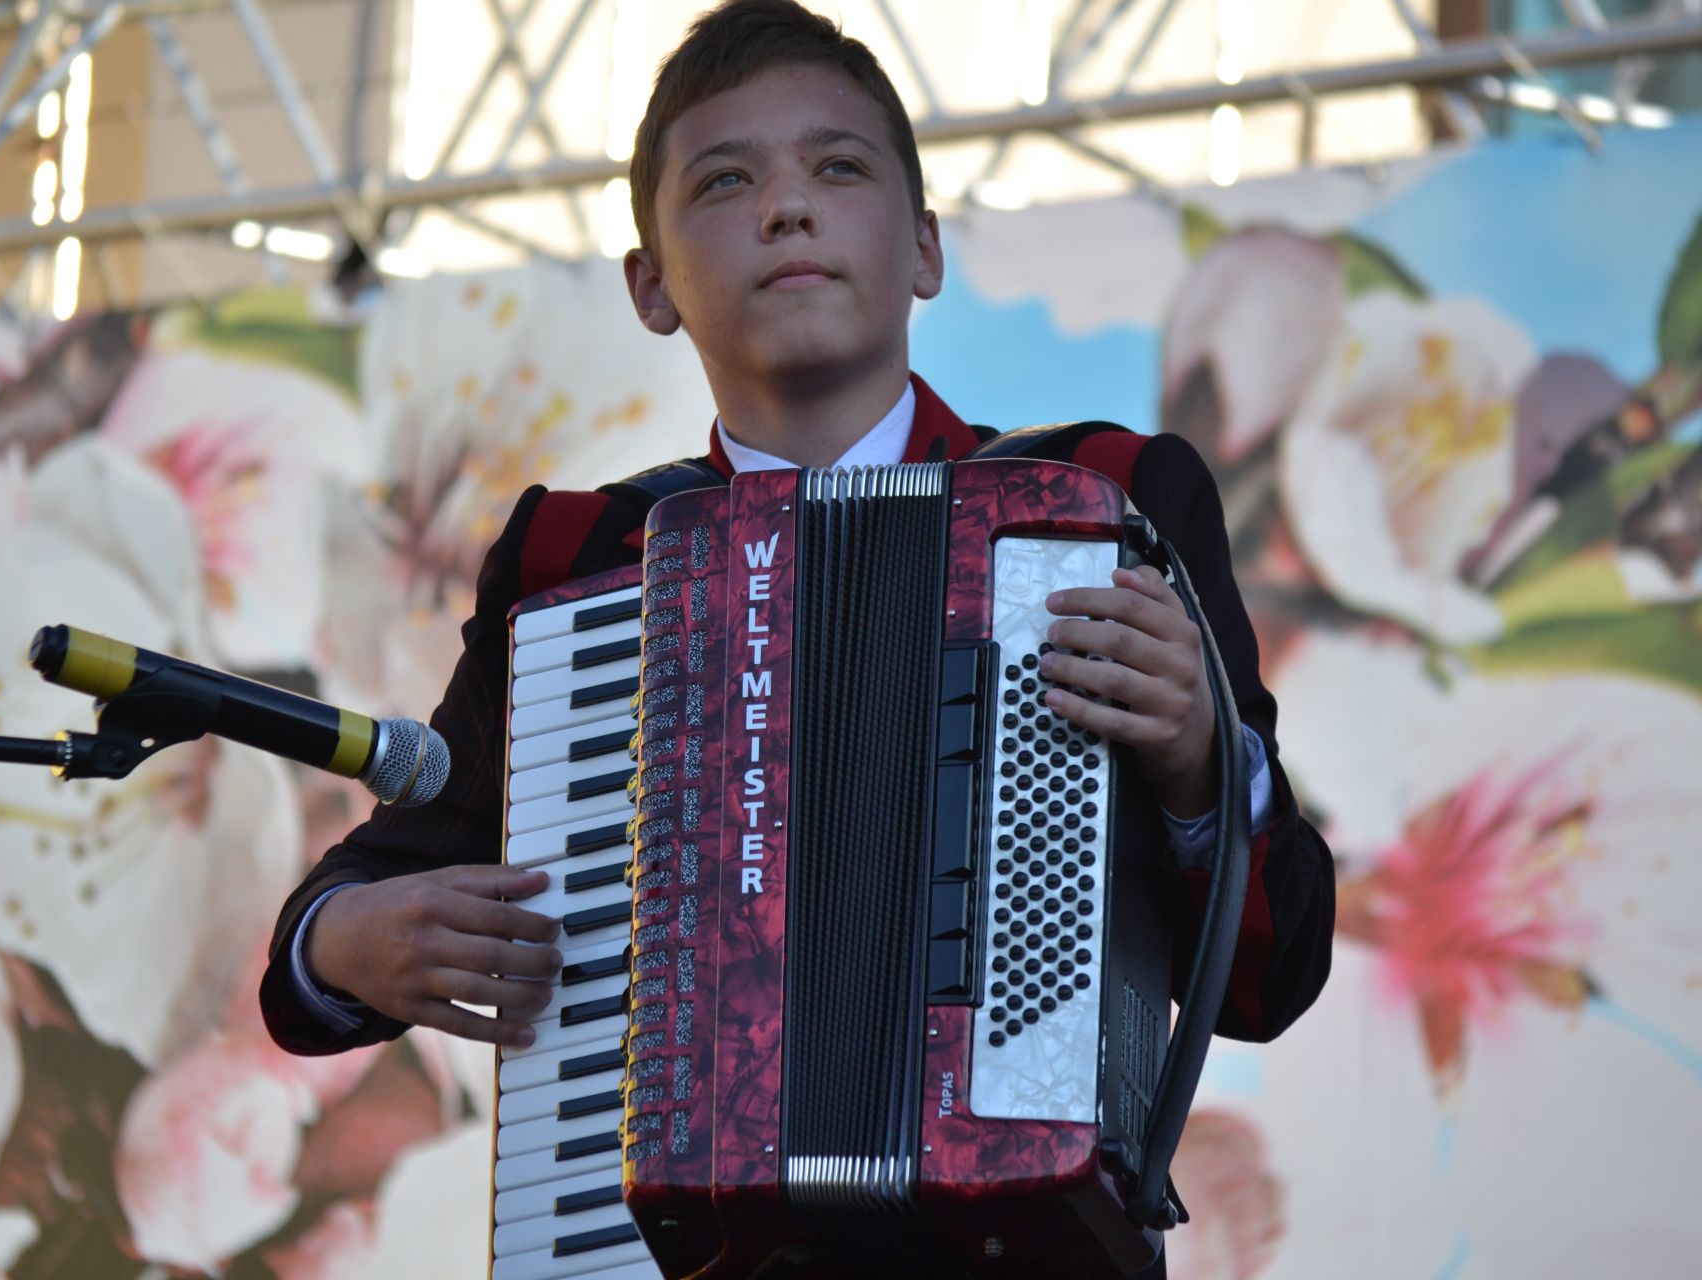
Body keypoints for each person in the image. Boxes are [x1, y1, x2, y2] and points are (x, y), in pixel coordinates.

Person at [262, 0, 1334, 1271]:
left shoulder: (1101, 501)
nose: (787, 207)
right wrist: (342, 943)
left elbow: (1277, 974)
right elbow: (382, 877)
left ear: (925, 247)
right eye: (726, 180)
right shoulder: (582, 562)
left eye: (839, 167)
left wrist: (1208, 763)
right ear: (651, 285)